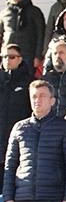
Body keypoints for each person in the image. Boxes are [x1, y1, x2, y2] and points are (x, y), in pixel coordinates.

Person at [3, 80, 66, 202]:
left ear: (52, 101)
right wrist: (8, 198)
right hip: (22, 200)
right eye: (34, 96)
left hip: (53, 200)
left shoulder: (65, 127)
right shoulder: (19, 128)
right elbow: (10, 165)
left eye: (42, 96)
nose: (37, 100)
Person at [0, 44, 32, 190]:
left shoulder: (29, 82)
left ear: (20, 59)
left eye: (12, 57)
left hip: (18, 143)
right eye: (4, 57)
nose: (7, 60)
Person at [0, 0, 45, 77]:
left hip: (28, 56)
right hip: (8, 56)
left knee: (27, 81)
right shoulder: (4, 13)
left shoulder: (35, 11)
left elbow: (41, 35)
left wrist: (38, 56)